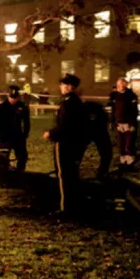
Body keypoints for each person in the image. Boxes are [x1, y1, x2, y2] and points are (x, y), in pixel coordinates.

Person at [43, 74, 85, 214]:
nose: (60, 87)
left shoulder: (68, 103)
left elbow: (65, 125)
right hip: (74, 143)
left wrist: (50, 133)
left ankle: (66, 207)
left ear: (68, 87)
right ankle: (74, 204)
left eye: (62, 85)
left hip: (65, 143)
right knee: (72, 173)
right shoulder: (76, 101)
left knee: (64, 174)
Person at [0, 84, 30, 172]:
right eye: (11, 98)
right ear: (8, 96)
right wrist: (1, 136)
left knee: (22, 157)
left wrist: (25, 134)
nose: (13, 100)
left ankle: (19, 172)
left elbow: (26, 121)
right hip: (5, 136)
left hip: (18, 135)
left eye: (15, 98)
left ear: (18, 97)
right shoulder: (2, 107)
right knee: (3, 157)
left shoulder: (22, 106)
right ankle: (5, 174)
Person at [80, 101, 113, 180]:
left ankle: (103, 171)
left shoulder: (100, 120)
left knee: (106, 151)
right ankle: (103, 171)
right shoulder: (87, 118)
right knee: (106, 151)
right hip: (89, 130)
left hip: (96, 130)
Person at [112, 78, 139, 168]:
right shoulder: (116, 96)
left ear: (125, 84)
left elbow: (134, 111)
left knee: (129, 142)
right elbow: (114, 110)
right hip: (119, 123)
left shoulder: (131, 96)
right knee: (121, 142)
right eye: (117, 85)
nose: (118, 86)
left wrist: (132, 124)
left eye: (119, 85)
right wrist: (113, 121)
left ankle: (130, 159)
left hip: (128, 123)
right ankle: (123, 158)